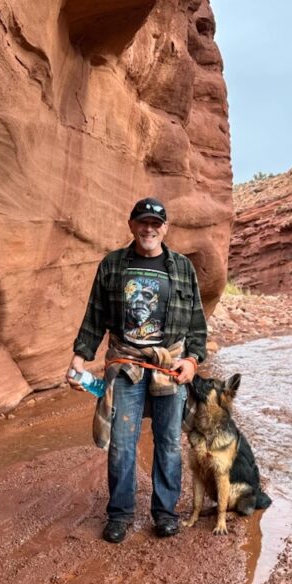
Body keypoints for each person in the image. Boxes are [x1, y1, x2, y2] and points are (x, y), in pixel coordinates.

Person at [68, 197, 207, 543]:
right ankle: (120, 514)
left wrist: (192, 360)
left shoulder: (182, 268)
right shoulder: (113, 265)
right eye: (142, 222)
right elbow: (95, 314)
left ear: (165, 228)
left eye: (156, 223)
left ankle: (164, 512)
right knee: (122, 444)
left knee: (169, 443)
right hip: (126, 363)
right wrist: (80, 357)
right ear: (131, 226)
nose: (149, 228)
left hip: (169, 367)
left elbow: (196, 323)